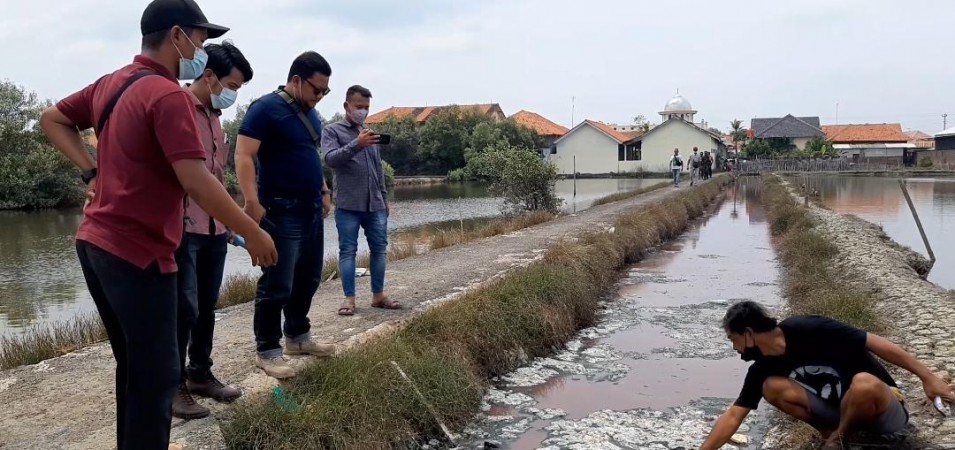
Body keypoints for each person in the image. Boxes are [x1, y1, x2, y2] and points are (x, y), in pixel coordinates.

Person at [38, 1, 277, 448]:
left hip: (95, 243)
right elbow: (196, 180)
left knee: (135, 368)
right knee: (159, 376)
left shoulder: (113, 82)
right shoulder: (168, 95)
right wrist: (252, 228)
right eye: (201, 41)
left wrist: (91, 171)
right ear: (176, 37)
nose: (202, 50)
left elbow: (52, 119)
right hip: (137, 251)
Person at [699, 301, 955, 450]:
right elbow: (734, 414)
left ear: (748, 332)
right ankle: (834, 434)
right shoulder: (762, 367)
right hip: (841, 412)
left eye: (733, 339)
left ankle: (840, 438)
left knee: (863, 384)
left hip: (883, 411)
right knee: (772, 387)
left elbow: (874, 342)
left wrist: (928, 378)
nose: (734, 347)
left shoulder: (807, 328)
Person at [236, 51, 336, 379]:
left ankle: (297, 336)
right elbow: (244, 155)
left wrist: (322, 189)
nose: (319, 97)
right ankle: (267, 349)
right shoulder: (265, 109)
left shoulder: (311, 116)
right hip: (281, 209)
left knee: (308, 277)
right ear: (296, 80)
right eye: (315, 90)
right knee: (277, 282)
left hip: (309, 209)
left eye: (325, 92)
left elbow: (310, 155)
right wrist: (251, 202)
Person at [172, 42, 253, 420]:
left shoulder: (214, 118)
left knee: (206, 306)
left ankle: (200, 374)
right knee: (182, 309)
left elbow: (218, 178)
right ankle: (173, 387)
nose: (232, 94)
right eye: (232, 86)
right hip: (182, 228)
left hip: (214, 229)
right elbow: (189, 179)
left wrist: (229, 226)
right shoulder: (176, 108)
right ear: (208, 76)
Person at [323, 85, 400, 316]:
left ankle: (378, 296)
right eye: (359, 107)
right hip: (348, 204)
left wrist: (384, 198)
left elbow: (377, 169)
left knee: (380, 249)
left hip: (374, 203)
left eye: (366, 107)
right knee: (348, 251)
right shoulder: (332, 131)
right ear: (347, 106)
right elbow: (330, 160)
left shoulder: (370, 132)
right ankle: (350, 299)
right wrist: (357, 143)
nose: (363, 112)